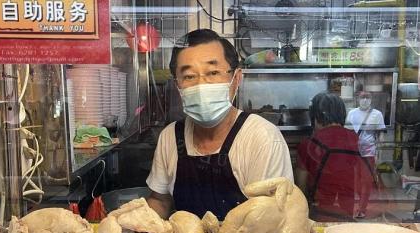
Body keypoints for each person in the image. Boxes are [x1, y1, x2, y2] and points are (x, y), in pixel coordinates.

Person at [146, 29, 293, 220]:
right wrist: (142, 228)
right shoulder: (170, 137)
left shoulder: (262, 138)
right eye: (189, 76)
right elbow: (160, 200)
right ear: (178, 85)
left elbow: (271, 216)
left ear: (236, 78)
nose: (202, 85)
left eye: (213, 72)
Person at [296, 92, 374, 221]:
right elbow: (366, 181)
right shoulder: (358, 141)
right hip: (349, 214)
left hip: (318, 215)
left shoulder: (308, 145)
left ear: (315, 117)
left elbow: (300, 189)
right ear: (342, 114)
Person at [346, 91, 385, 218]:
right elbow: (346, 132)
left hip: (369, 152)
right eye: (362, 97)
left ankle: (362, 209)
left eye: (367, 97)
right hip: (353, 152)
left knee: (366, 180)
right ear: (357, 98)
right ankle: (358, 202)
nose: (365, 100)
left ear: (371, 99)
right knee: (355, 180)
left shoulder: (377, 114)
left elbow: (381, 133)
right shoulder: (352, 113)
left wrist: (379, 152)